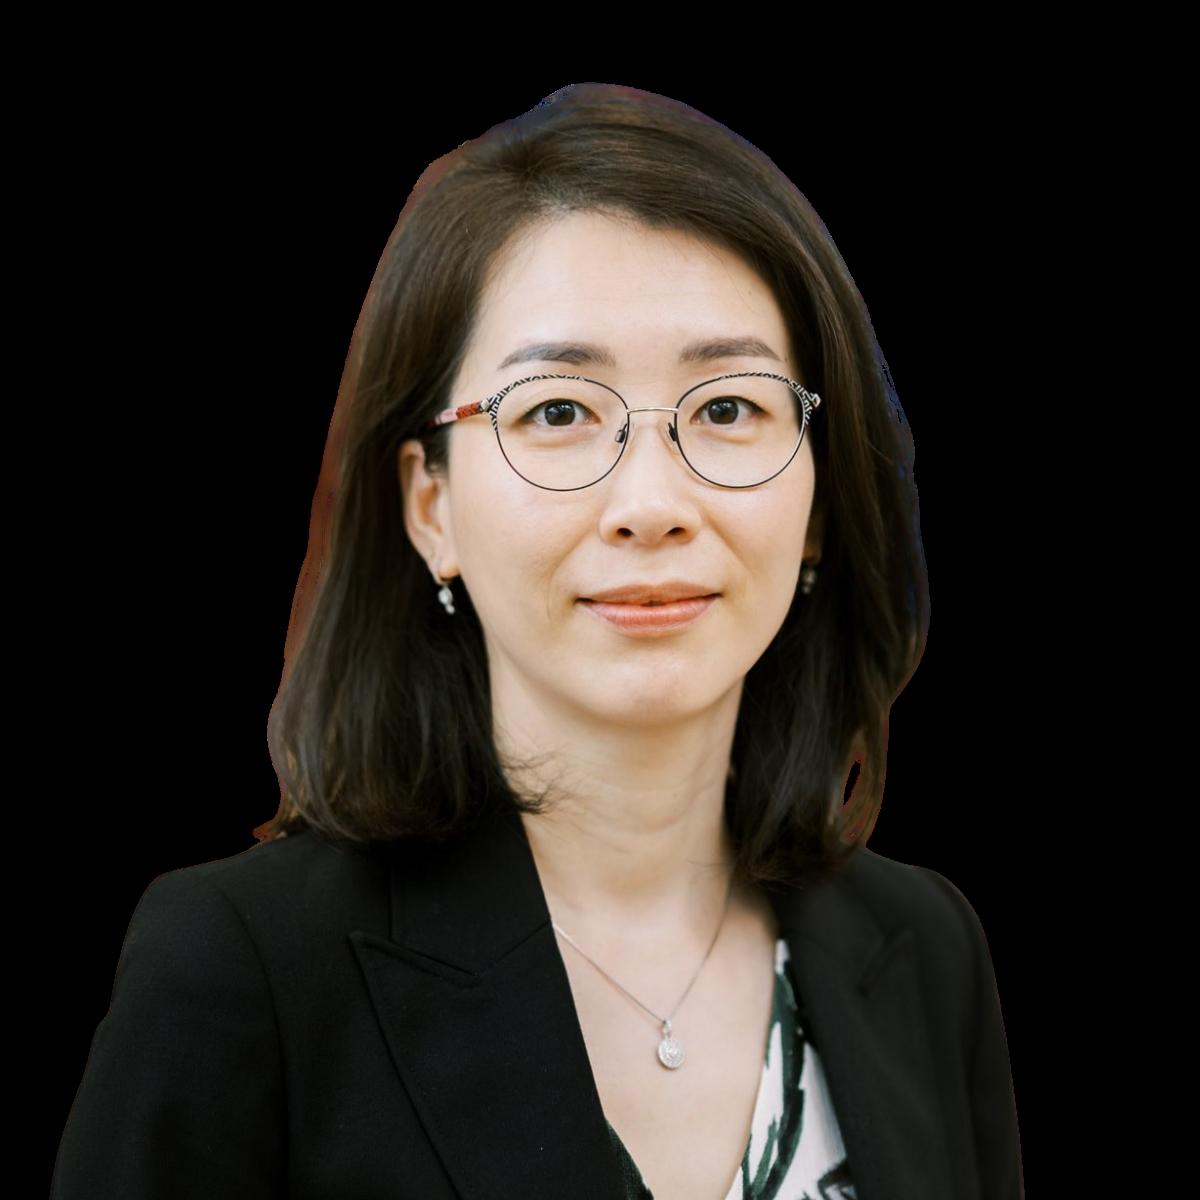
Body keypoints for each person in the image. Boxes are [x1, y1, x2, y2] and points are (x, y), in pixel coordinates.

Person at [52, 83, 1023, 1200]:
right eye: (558, 412)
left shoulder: (923, 953)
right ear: (431, 506)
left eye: (727, 408)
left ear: (816, 496)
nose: (652, 502)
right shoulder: (244, 967)